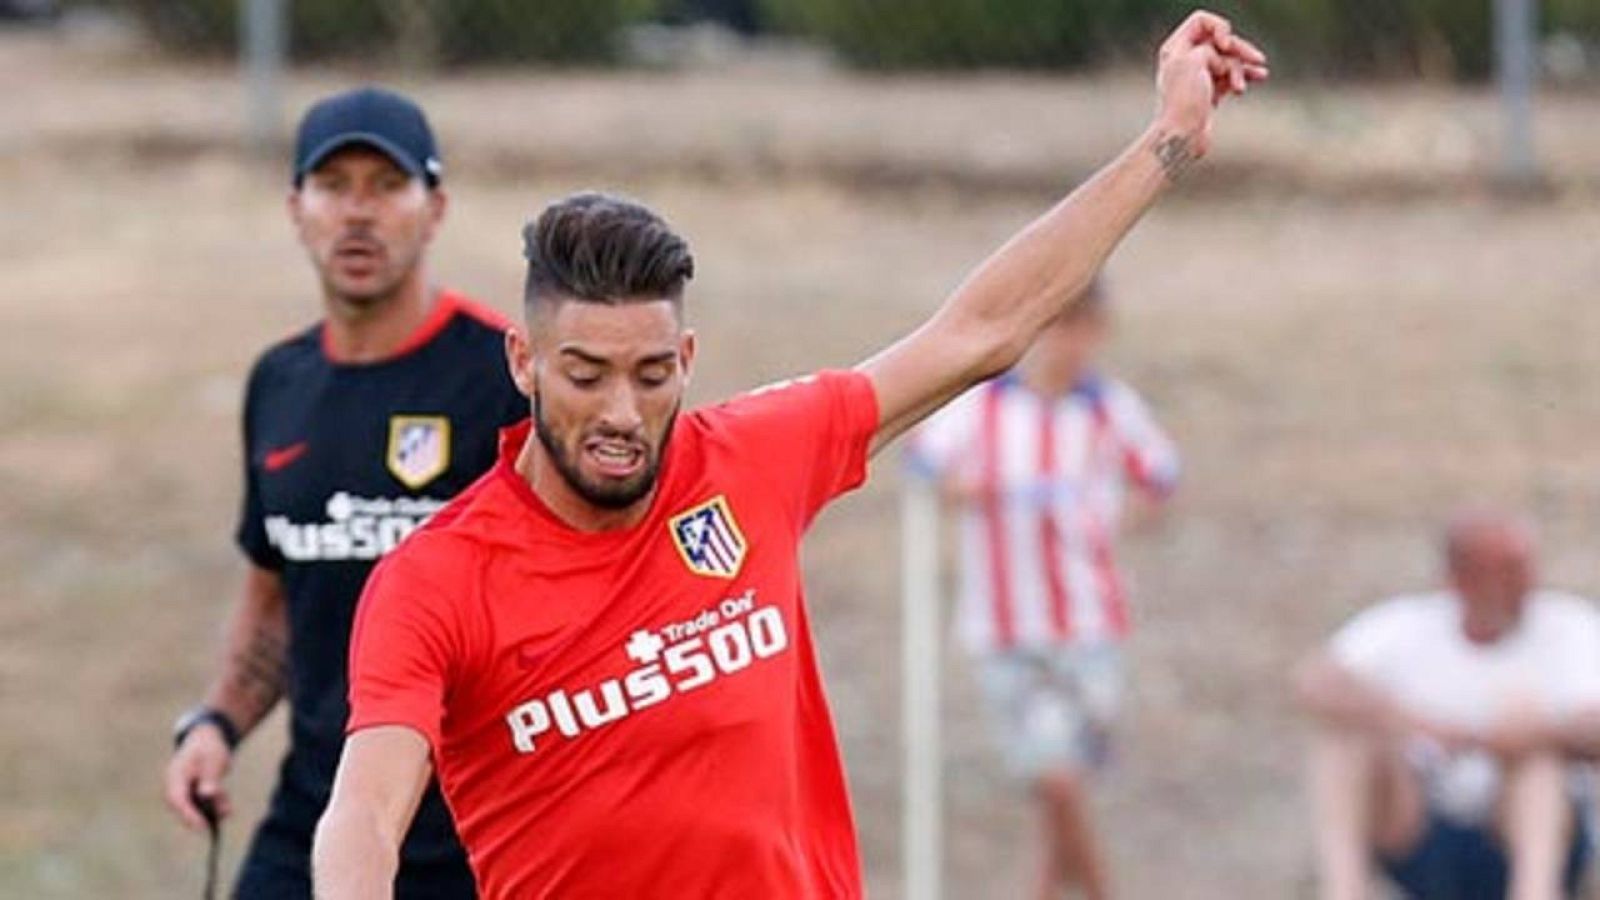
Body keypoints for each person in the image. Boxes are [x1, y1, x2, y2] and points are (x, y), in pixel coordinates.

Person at [311, 12, 1268, 898]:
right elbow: (366, 810)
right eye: (584, 373)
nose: (621, 412)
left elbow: (980, 331)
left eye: (651, 375)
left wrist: (1168, 141)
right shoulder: (437, 579)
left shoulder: (751, 459)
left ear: (687, 358)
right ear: (523, 360)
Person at [161, 87, 526, 897]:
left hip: (480, 836)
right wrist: (217, 724)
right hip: (319, 820)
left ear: (434, 209)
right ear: (297, 207)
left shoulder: (506, 375)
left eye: (386, 186)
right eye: (334, 186)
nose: (358, 214)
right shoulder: (279, 382)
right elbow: (277, 593)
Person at [906, 280, 1179, 900]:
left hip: (1089, 625)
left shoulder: (1108, 409)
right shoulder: (986, 410)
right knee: (1054, 779)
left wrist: (1117, 521)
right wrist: (964, 493)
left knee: (1060, 789)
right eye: (1056, 328)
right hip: (1008, 628)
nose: (1066, 345)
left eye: (1080, 329)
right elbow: (924, 464)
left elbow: (1160, 475)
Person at [1296, 513, 1600, 900]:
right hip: (1422, 825)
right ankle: (1345, 890)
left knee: (1537, 759)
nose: (1523, 584)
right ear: (1460, 580)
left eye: (1524, 569)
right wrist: (1416, 725)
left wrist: (1535, 732)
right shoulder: (1407, 625)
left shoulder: (1571, 626)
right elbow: (1315, 682)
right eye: (1505, 572)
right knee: (1344, 741)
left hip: (1528, 829)